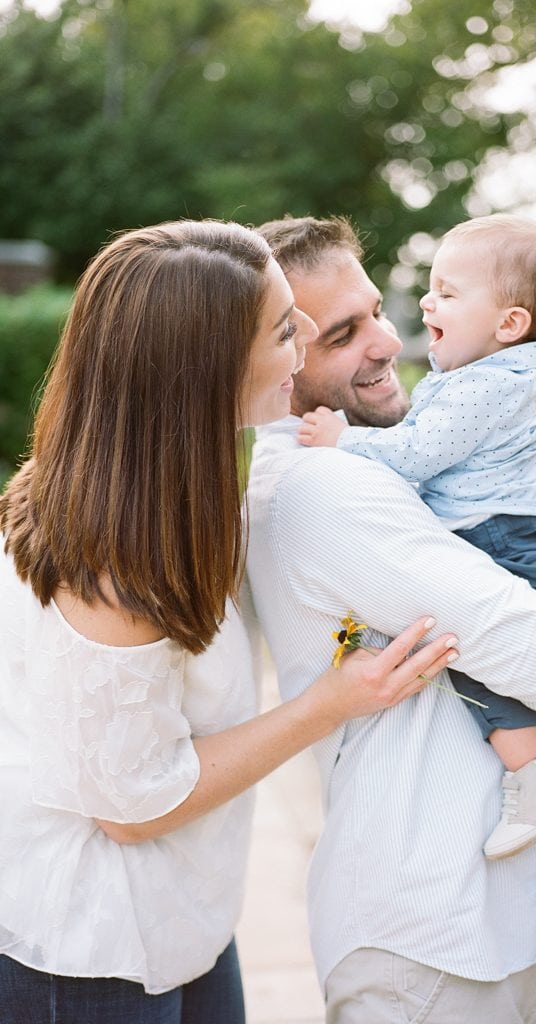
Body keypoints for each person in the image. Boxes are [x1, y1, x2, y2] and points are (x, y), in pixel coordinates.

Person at [0, 219, 459, 1024]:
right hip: (89, 953)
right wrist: (330, 703)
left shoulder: (172, 486)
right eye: (287, 328)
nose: (308, 337)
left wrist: (505, 489)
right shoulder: (112, 563)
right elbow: (132, 808)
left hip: (185, 919)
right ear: (206, 369)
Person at [246, 214, 536, 1024]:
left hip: (465, 921)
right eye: (342, 333)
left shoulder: (386, 473)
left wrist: (520, 506)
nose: (384, 342)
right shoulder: (327, 488)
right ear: (273, 362)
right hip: (431, 936)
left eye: (377, 310)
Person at [297, 213, 536, 861]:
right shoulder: (494, 377)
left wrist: (345, 438)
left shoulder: (481, 383)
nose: (424, 303)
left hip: (505, 538)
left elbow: (420, 453)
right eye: (431, 287)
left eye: (447, 293)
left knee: (467, 654)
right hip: (521, 534)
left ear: (508, 324)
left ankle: (532, 776)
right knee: (486, 638)